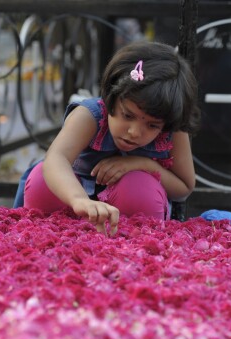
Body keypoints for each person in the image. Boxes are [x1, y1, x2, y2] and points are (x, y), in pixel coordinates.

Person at [23, 41, 201, 235]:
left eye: (152, 125)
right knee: (42, 178)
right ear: (112, 97)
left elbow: (184, 188)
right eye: (127, 115)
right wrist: (79, 200)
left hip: (129, 225)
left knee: (138, 188)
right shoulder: (90, 116)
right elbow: (56, 159)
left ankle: (133, 249)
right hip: (71, 207)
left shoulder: (172, 129)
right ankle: (44, 239)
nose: (134, 132)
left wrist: (143, 165)